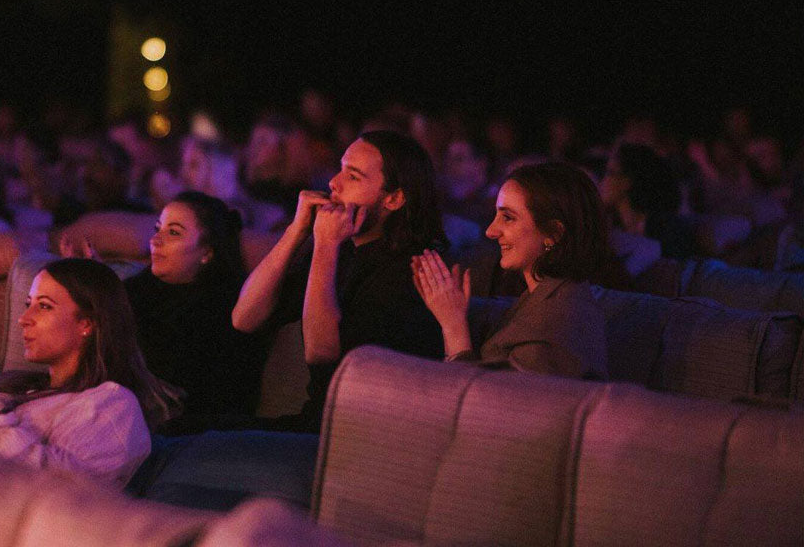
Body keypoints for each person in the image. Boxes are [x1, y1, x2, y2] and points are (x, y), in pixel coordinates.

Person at [0, 258, 178, 487]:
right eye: (28, 305)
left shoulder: (113, 407)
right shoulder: (15, 390)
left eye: (43, 306)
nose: (24, 319)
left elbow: (43, 489)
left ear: (87, 324)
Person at [232, 130, 446, 431]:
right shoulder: (343, 249)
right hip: (314, 421)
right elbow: (244, 318)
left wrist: (324, 246)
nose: (334, 182)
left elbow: (321, 352)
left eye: (354, 176)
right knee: (182, 430)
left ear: (395, 198)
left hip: (354, 434)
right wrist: (296, 232)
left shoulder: (413, 269)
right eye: (341, 168)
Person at [66, 191, 265, 434]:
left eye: (173, 232)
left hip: (169, 424)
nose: (155, 240)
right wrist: (92, 291)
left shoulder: (229, 308)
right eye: (157, 228)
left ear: (207, 253)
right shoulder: (138, 288)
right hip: (103, 404)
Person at [411, 161, 608, 379]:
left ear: (554, 233)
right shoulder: (550, 294)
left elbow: (492, 407)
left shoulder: (554, 329)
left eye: (508, 218)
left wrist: (454, 327)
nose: (490, 231)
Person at [599, 143, 694, 260]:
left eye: (609, 172)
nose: (602, 181)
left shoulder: (668, 230)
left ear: (627, 182)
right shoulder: (608, 228)